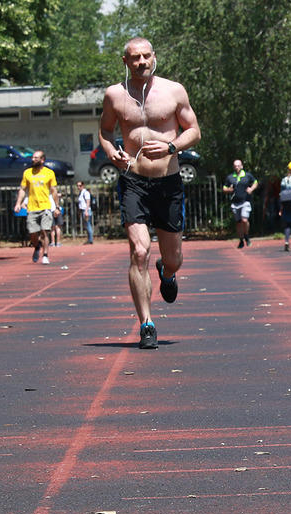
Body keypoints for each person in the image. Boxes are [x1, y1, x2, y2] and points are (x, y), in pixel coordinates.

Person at [98, 37, 201, 349]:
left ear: (153, 57)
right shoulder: (115, 94)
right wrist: (110, 151)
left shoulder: (173, 91)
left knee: (174, 259)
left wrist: (171, 146)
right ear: (126, 61)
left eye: (146, 56)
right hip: (133, 181)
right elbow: (105, 130)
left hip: (168, 184)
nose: (141, 62)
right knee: (139, 251)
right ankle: (146, 324)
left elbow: (194, 131)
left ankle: (166, 274)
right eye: (135, 58)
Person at [14, 150, 61, 265]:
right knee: (32, 232)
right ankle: (37, 246)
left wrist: (56, 207)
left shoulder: (49, 173)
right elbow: (22, 189)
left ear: (42, 160)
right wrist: (18, 203)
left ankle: (45, 255)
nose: (33, 159)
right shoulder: (27, 173)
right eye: (33, 157)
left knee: (45, 231)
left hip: (45, 206)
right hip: (32, 207)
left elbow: (54, 191)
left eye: (36, 158)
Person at [222, 159, 259, 248]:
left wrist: (251, 189)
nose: (237, 167)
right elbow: (224, 187)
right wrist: (228, 190)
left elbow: (255, 182)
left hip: (245, 201)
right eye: (235, 166)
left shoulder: (247, 175)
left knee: (244, 220)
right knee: (238, 223)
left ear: (241, 166)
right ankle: (241, 239)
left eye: (238, 166)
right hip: (235, 203)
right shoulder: (230, 177)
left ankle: (247, 236)